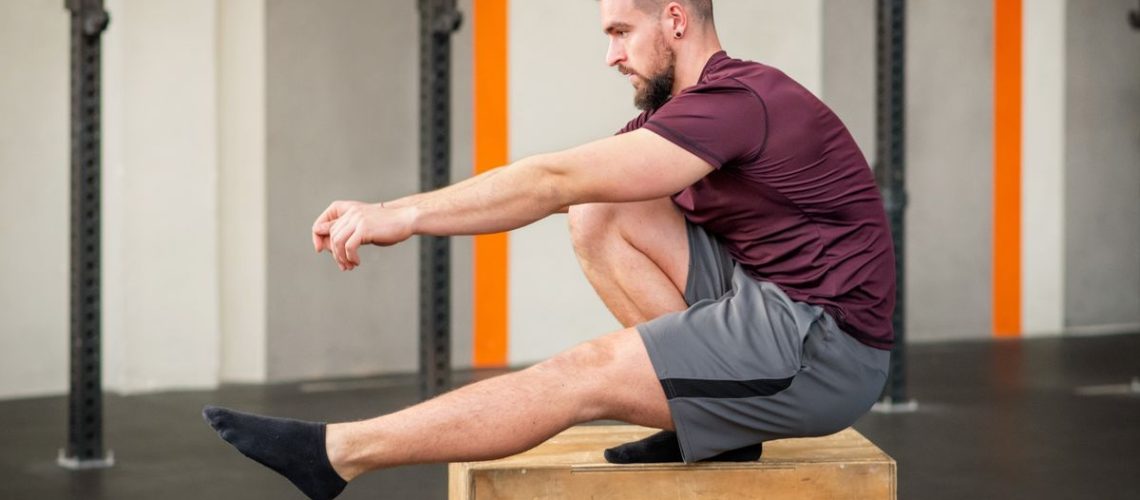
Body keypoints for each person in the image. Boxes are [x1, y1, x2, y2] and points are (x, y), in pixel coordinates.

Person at [202, 1, 895, 499]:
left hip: (824, 347)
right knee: (600, 206)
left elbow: (548, 177)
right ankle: (714, 428)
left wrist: (400, 214)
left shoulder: (738, 100)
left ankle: (337, 454)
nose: (611, 54)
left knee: (585, 375)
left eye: (622, 31)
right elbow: (564, 191)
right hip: (767, 300)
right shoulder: (686, 115)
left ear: (676, 19)